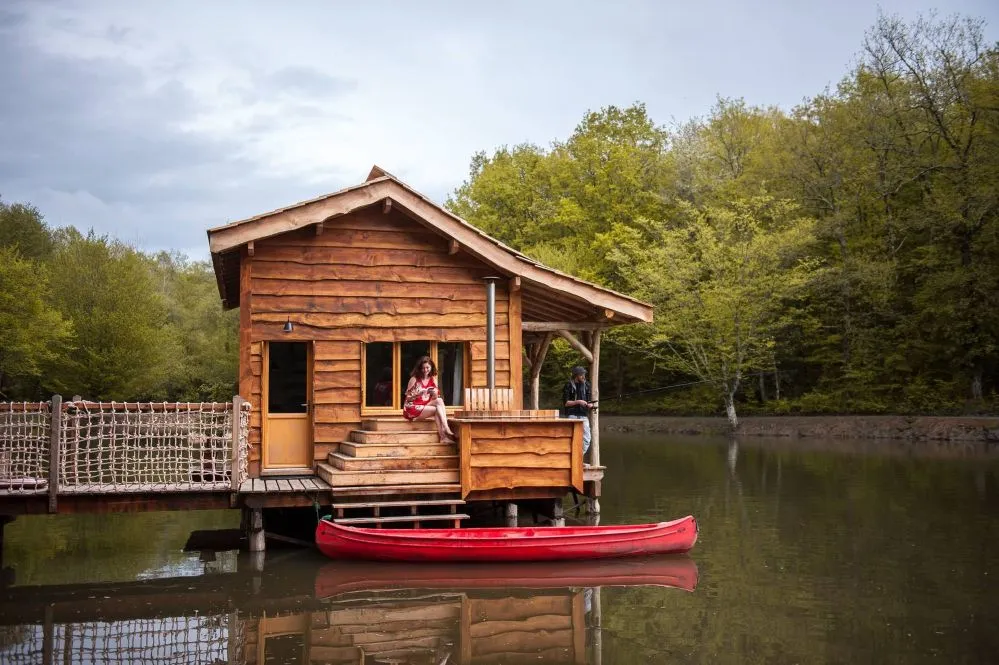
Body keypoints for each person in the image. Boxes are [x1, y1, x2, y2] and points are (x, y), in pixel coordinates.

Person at [402, 355, 456, 444]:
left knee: (439, 400)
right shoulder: (414, 379)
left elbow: (435, 399)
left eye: (427, 367)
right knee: (436, 410)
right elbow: (407, 398)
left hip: (424, 405)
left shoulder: (433, 379)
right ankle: (443, 435)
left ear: (431, 367)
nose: (425, 370)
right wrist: (417, 395)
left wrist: (434, 394)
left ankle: (445, 428)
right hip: (412, 407)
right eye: (423, 368)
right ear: (420, 368)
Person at [562, 365, 592, 455]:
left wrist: (590, 404)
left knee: (587, 438)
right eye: (581, 375)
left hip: (583, 415)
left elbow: (588, 400)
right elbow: (566, 403)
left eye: (584, 374)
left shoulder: (587, 385)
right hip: (572, 415)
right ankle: (570, 458)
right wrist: (578, 402)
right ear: (576, 375)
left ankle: (578, 457)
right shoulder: (568, 385)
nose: (583, 376)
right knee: (572, 438)